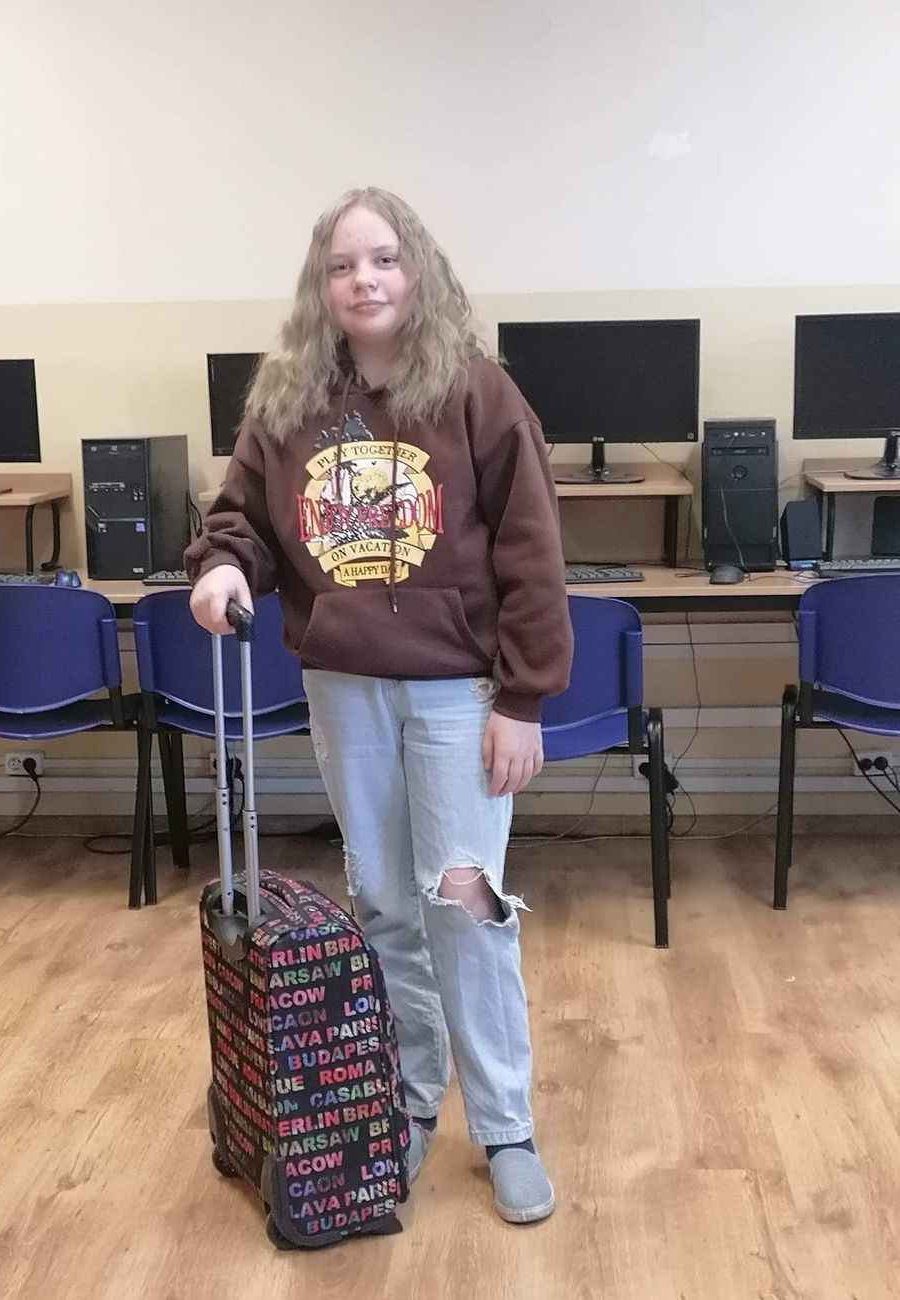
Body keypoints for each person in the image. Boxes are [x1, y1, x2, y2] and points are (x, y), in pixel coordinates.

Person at [186, 187, 573, 1224]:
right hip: (344, 687)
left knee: (464, 903)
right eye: (343, 265)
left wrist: (524, 699)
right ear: (321, 286)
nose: (364, 280)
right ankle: (405, 1103)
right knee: (387, 908)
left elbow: (533, 551)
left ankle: (505, 1125)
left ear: (418, 271)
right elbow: (240, 519)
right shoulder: (286, 403)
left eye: (384, 259)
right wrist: (222, 567)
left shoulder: (479, 391)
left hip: (457, 694)